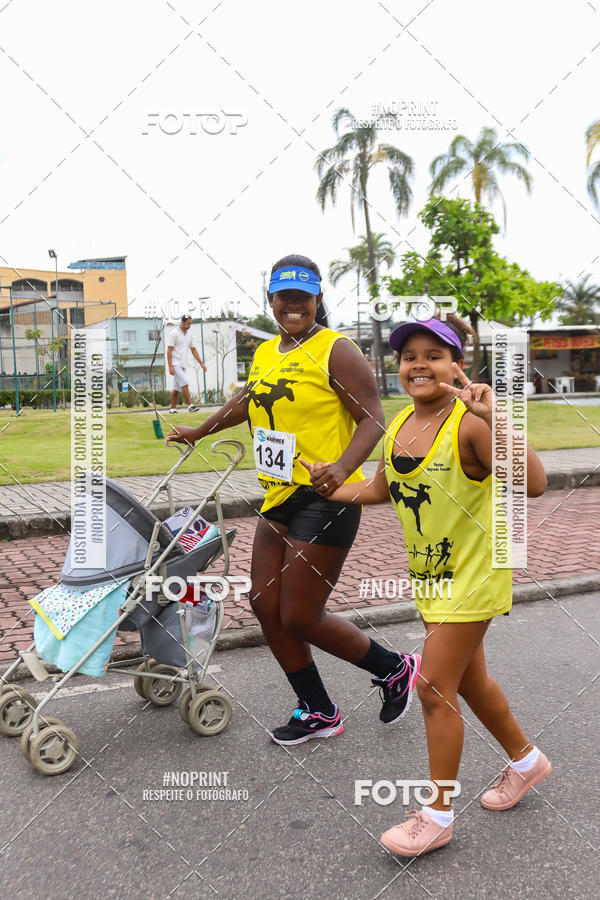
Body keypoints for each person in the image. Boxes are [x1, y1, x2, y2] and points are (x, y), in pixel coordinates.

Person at [305, 314, 551, 856]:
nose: (419, 365)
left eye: (433, 356)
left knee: (433, 687)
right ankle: (528, 761)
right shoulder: (399, 423)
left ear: (456, 366)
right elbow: (380, 489)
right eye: (409, 356)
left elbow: (534, 483)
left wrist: (497, 418)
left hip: (474, 576)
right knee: (469, 682)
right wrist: (326, 483)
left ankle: (437, 816)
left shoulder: (469, 424)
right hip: (432, 579)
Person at [167, 253, 420, 744]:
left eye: (304, 297)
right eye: (285, 297)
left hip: (327, 497)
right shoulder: (267, 351)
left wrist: (342, 467)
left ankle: (395, 668)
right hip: (279, 494)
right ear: (271, 300)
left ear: (317, 299)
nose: (294, 305)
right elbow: (248, 401)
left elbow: (373, 417)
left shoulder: (336, 350)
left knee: (301, 615)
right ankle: (318, 709)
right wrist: (199, 431)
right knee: (265, 603)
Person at [167, 315, 207, 413]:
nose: (189, 326)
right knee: (185, 382)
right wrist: (170, 366)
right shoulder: (174, 333)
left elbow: (194, 350)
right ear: (182, 322)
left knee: (176, 388)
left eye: (190, 323)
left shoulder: (190, 335)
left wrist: (202, 364)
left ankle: (172, 409)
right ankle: (190, 406)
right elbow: (169, 350)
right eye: (188, 323)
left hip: (183, 364)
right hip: (175, 364)